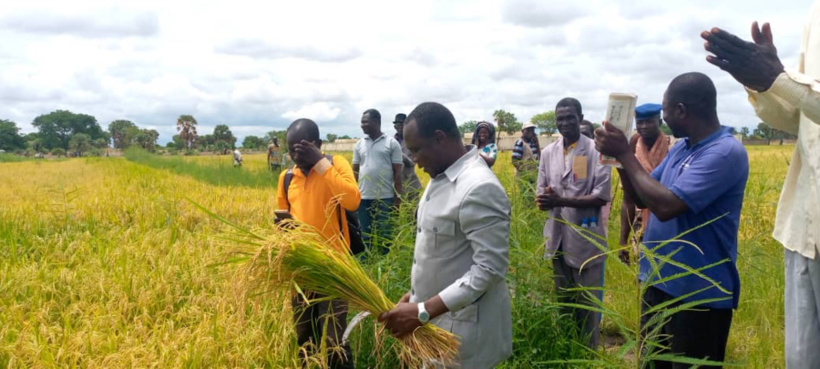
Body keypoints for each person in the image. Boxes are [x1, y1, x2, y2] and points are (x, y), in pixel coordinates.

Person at [595, 72, 749, 369]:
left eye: (665, 113)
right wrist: (617, 161)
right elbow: (643, 199)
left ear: (681, 110)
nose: (663, 120)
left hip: (697, 296)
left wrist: (626, 154)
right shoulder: (681, 148)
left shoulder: (725, 152)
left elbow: (667, 206)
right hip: (658, 283)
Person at [702, 14, 820, 367]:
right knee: (801, 358)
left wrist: (780, 80)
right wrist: (761, 84)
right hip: (804, 227)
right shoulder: (814, 21)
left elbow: (795, 89)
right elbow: (798, 117)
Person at [378, 102, 512, 368]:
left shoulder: (478, 187)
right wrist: (416, 297)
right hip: (435, 326)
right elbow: (444, 254)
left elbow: (489, 269)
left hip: (464, 336)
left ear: (439, 138)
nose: (414, 161)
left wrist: (423, 311)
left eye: (416, 150)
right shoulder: (439, 178)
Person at [276, 119, 360, 369]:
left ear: (318, 145)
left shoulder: (335, 165)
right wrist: (283, 229)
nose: (296, 154)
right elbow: (282, 218)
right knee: (304, 336)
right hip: (301, 269)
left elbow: (353, 201)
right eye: (292, 149)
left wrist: (320, 163)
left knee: (335, 338)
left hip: (334, 267)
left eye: (302, 147)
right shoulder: (287, 178)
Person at [536, 97, 611, 350]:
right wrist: (544, 200)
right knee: (564, 303)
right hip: (556, 239)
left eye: (570, 117)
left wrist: (561, 199)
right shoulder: (548, 152)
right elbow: (541, 192)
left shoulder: (595, 150)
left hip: (586, 238)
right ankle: (568, 350)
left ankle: (588, 355)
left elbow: (601, 196)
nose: (564, 123)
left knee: (587, 307)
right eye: (560, 118)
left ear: (580, 118)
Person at [619, 103, 670, 264]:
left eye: (649, 122)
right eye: (640, 122)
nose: (644, 126)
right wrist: (622, 241)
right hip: (640, 223)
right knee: (642, 271)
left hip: (666, 221)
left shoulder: (672, 151)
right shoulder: (632, 151)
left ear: (660, 122)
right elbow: (628, 200)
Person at [353, 109, 403, 253]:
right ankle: (367, 264)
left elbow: (397, 173)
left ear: (376, 122)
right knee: (365, 235)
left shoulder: (391, 143)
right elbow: (355, 171)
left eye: (365, 122)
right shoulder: (359, 144)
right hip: (363, 198)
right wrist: (353, 195)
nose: (362, 125)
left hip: (385, 198)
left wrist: (397, 199)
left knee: (384, 235)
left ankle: (383, 264)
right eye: (361, 122)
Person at [393, 113, 423, 203]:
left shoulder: (413, 140)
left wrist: (399, 155)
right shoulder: (391, 141)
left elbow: (414, 162)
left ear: (406, 125)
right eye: (397, 125)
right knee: (395, 213)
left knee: (412, 213)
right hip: (395, 184)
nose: (399, 127)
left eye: (402, 124)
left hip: (410, 183)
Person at [512, 122, 541, 198]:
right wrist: (525, 175)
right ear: (523, 131)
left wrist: (537, 143)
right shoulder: (520, 143)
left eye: (532, 130)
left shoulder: (533, 143)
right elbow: (515, 161)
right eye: (528, 130)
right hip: (524, 177)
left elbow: (539, 158)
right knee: (526, 196)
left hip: (534, 175)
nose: (530, 132)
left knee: (533, 196)